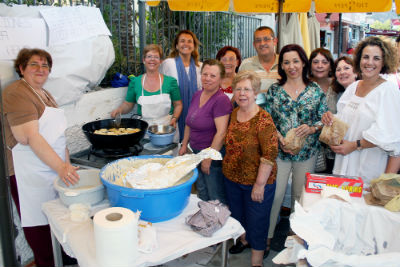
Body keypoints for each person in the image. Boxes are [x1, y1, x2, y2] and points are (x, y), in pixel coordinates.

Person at [2, 48, 79, 267]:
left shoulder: (45, 95)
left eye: (45, 65)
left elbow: (57, 136)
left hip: (50, 169)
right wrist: (62, 168)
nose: (41, 69)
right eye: (34, 64)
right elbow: (28, 136)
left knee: (56, 221)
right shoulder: (16, 92)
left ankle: (61, 260)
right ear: (21, 68)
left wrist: (67, 166)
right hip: (28, 172)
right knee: (39, 226)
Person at [265, 44, 328, 253]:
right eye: (286, 62)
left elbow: (323, 119)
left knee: (300, 198)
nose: (291, 66)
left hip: (307, 153)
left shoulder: (315, 90)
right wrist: (279, 137)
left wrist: (311, 129)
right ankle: (266, 237)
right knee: (274, 195)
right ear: (281, 66)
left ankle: (294, 239)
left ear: (303, 63)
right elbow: (267, 120)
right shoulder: (274, 90)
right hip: (280, 151)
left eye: (295, 61)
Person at [322, 36, 400, 185]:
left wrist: (354, 145)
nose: (370, 62)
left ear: (384, 62)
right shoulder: (353, 87)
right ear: (359, 60)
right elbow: (344, 119)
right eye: (366, 57)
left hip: (369, 171)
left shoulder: (388, 91)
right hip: (343, 166)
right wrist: (330, 119)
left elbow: (393, 139)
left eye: (376, 58)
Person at [223, 71, 278, 266]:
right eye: (238, 89)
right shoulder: (234, 113)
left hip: (258, 181)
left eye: (247, 89)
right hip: (232, 178)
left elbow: (269, 155)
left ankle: (256, 261)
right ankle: (244, 240)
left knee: (257, 221)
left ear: (256, 93)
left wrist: (259, 185)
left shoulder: (264, 120)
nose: (242, 93)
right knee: (237, 216)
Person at [179, 59, 232, 204]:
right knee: (202, 191)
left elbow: (221, 133)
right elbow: (189, 122)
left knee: (215, 195)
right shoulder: (197, 94)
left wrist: (208, 158)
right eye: (205, 74)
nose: (207, 78)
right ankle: (204, 220)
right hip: (196, 153)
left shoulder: (221, 100)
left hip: (212, 155)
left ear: (221, 79)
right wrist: (184, 145)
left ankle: (219, 222)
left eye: (213, 76)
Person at [111, 44, 182, 132]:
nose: (152, 59)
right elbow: (128, 104)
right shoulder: (135, 82)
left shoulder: (170, 82)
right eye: (149, 56)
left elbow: (178, 104)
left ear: (160, 61)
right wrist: (120, 110)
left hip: (167, 128)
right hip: (144, 129)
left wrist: (174, 118)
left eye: (156, 57)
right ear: (144, 60)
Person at [160, 30, 202, 141]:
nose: (186, 44)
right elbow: (162, 87)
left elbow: (201, 91)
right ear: (177, 46)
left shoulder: (199, 67)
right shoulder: (168, 64)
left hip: (195, 115)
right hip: (174, 115)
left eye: (189, 41)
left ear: (194, 46)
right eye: (182, 41)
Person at [309, 48, 337, 173]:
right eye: (315, 62)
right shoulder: (305, 86)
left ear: (331, 66)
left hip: (335, 148)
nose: (319, 66)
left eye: (324, 62)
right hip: (311, 147)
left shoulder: (338, 85)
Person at [239, 26, 280, 105]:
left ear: (275, 41)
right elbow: (240, 92)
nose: (262, 43)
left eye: (266, 39)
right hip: (254, 114)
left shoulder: (284, 63)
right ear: (254, 44)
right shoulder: (246, 65)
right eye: (258, 40)